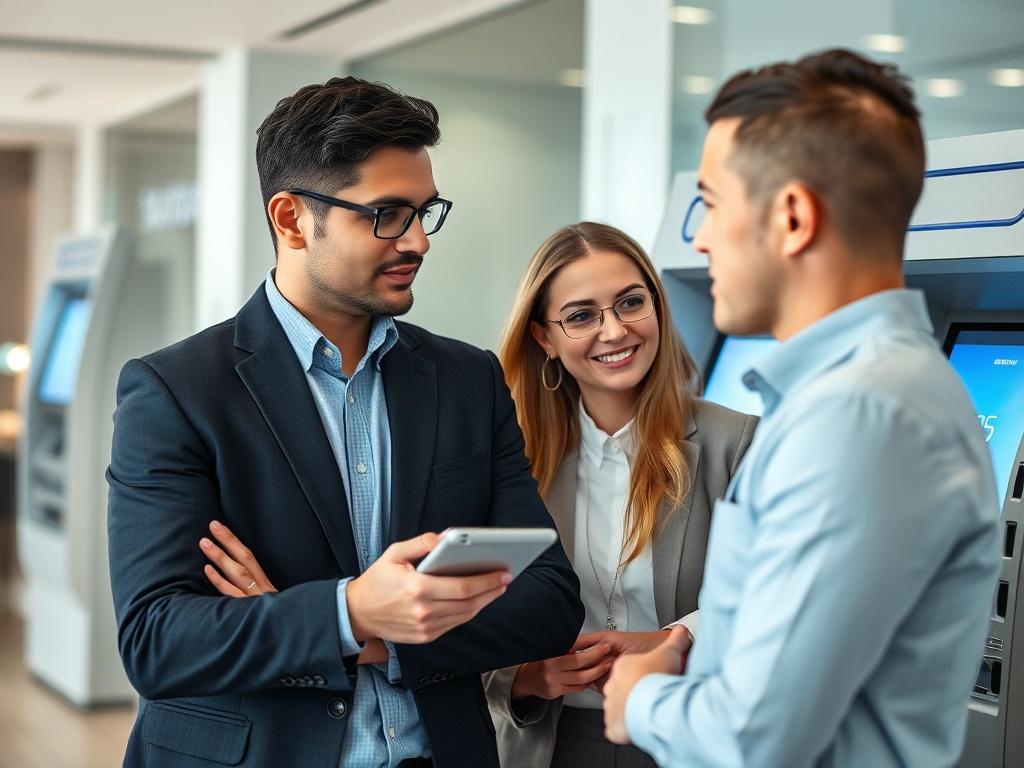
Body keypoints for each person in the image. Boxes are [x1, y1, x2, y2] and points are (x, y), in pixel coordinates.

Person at [106, 76, 583, 768]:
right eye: (387, 213)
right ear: (292, 219)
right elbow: (158, 640)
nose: (418, 240)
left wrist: (364, 631)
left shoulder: (466, 379)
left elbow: (548, 600)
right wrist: (350, 610)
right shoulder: (175, 391)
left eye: (426, 211)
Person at [203, 221, 756, 768]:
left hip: (689, 731)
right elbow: (464, 609)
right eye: (582, 315)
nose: (614, 331)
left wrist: (676, 639)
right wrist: (524, 679)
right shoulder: (514, 457)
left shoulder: (734, 444)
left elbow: (780, 596)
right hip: (550, 740)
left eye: (632, 303)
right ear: (545, 338)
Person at [600, 48, 1001, 767]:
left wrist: (640, 699)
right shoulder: (864, 396)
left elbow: (754, 738)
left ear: (790, 217)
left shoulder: (860, 417)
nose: (699, 238)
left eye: (714, 205)